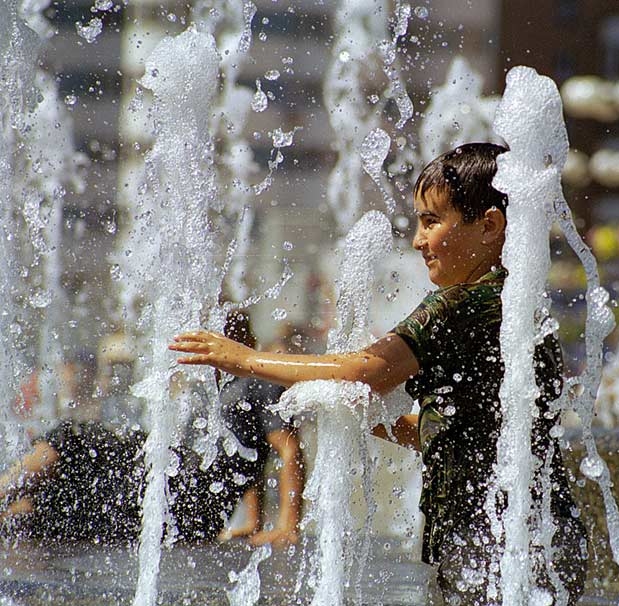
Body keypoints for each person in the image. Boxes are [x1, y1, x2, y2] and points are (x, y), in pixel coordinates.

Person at [170, 143, 587, 605]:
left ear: (489, 226)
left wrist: (240, 358)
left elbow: (366, 369)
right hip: (538, 532)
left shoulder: (463, 305)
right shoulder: (521, 310)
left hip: (493, 542)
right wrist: (373, 422)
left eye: (432, 221)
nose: (417, 240)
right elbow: (463, 433)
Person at [0, 311, 301, 548]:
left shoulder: (257, 381)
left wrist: (287, 526)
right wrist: (255, 520)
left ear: (240, 338)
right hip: (177, 493)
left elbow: (289, 450)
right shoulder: (218, 388)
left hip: (183, 498)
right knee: (66, 497)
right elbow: (247, 455)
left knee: (72, 439)